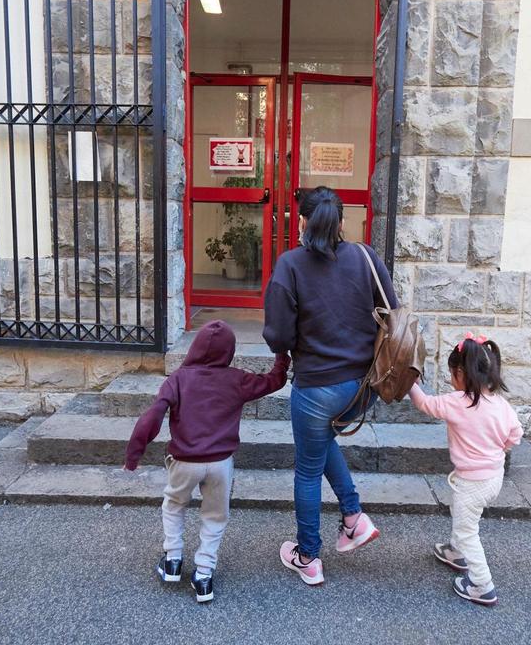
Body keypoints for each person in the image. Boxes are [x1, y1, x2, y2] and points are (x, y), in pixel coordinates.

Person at [263, 186, 397, 586]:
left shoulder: (290, 266)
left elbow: (277, 336)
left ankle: (308, 556)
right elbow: (392, 309)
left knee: (306, 469)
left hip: (318, 389)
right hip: (364, 387)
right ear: (341, 223)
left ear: (302, 222)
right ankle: (353, 518)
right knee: (322, 444)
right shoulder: (366, 257)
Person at [123, 319, 290, 603]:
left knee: (174, 505)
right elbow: (273, 381)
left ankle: (173, 560)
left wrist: (133, 455)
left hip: (184, 460)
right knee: (215, 516)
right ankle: (203, 575)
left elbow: (152, 416)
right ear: (229, 351)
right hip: (221, 463)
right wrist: (281, 356)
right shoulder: (236, 379)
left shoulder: (177, 379)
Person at [408, 332, 523, 606]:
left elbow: (424, 403)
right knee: (464, 517)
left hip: (471, 483)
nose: (451, 379)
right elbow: (515, 435)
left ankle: (482, 584)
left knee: (466, 530)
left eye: (451, 373)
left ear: (461, 372)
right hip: (493, 478)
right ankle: (455, 552)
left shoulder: (457, 402)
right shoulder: (501, 404)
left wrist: (411, 383)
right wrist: (498, 450)